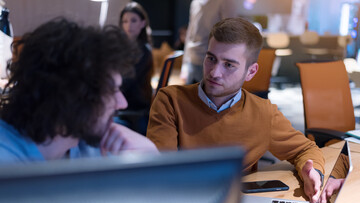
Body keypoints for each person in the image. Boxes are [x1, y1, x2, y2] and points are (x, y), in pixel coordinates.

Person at [147, 17, 325, 203]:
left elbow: (305, 149)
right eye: (211, 59)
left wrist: (312, 171)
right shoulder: (170, 100)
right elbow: (160, 172)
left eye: (229, 65)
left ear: (251, 72)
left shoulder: (263, 113)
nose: (214, 72)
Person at [0, 18, 157, 163]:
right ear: (70, 95)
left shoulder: (89, 144)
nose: (122, 103)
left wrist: (149, 155)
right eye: (111, 90)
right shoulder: (8, 163)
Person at [181, 0, 239, 84]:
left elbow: (230, 33)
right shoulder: (196, 2)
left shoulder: (226, 2)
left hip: (212, 60)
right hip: (193, 58)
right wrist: (185, 65)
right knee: (190, 95)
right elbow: (190, 32)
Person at [118, 2, 154, 135]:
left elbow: (126, 83)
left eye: (133, 21)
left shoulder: (143, 50)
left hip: (133, 107)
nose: (128, 25)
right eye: (125, 21)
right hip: (125, 103)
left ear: (143, 23)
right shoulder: (123, 48)